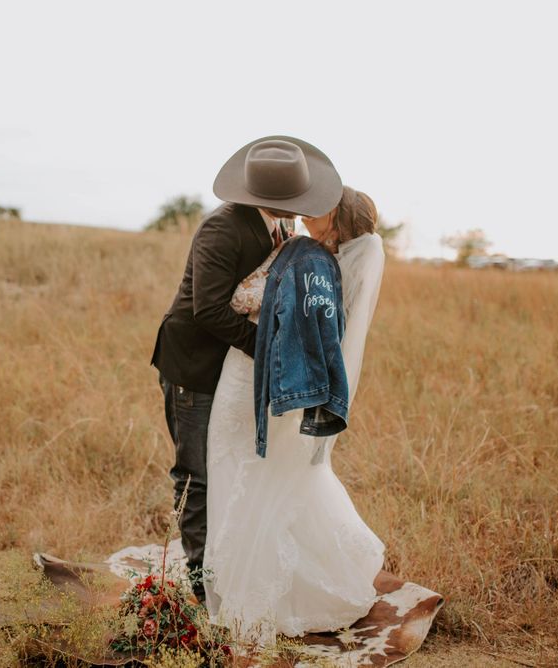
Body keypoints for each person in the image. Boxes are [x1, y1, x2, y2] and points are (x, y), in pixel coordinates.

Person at [150, 136, 343, 601]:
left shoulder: (281, 226)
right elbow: (208, 310)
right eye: (292, 203)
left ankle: (226, 561)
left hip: (229, 368)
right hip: (193, 364)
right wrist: (272, 349)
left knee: (227, 465)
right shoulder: (222, 229)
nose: (299, 212)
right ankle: (200, 586)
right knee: (195, 473)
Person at [203, 186, 387, 645]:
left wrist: (273, 267)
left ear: (337, 221)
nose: (308, 210)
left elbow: (241, 300)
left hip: (255, 380)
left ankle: (252, 595)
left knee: (241, 475)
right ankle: (300, 589)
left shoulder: (304, 255)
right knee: (279, 484)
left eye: (321, 206)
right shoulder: (339, 266)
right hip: (300, 388)